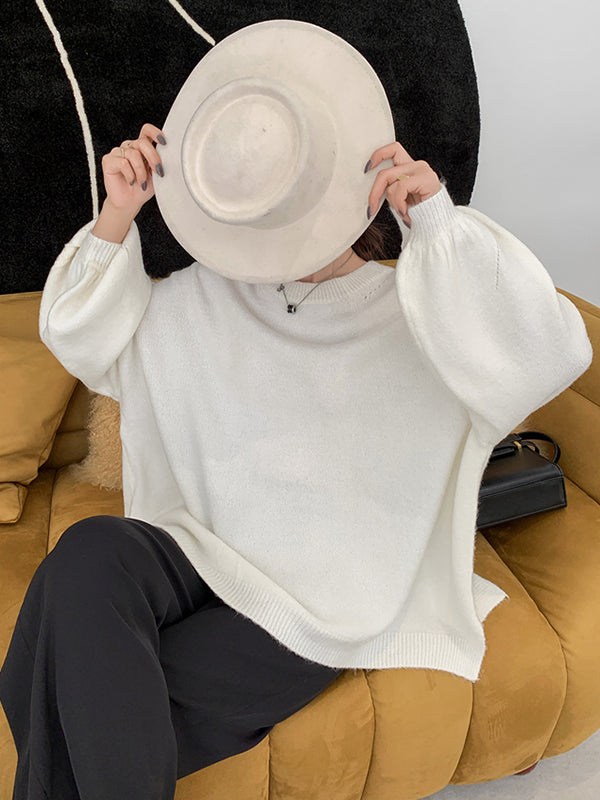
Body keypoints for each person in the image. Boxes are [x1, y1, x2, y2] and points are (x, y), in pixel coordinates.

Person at [0, 74, 594, 800]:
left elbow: (549, 354)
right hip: (198, 549)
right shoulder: (199, 299)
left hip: (324, 595)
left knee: (65, 684)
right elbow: (78, 337)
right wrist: (118, 215)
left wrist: (438, 223)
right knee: (91, 553)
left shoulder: (419, 312)